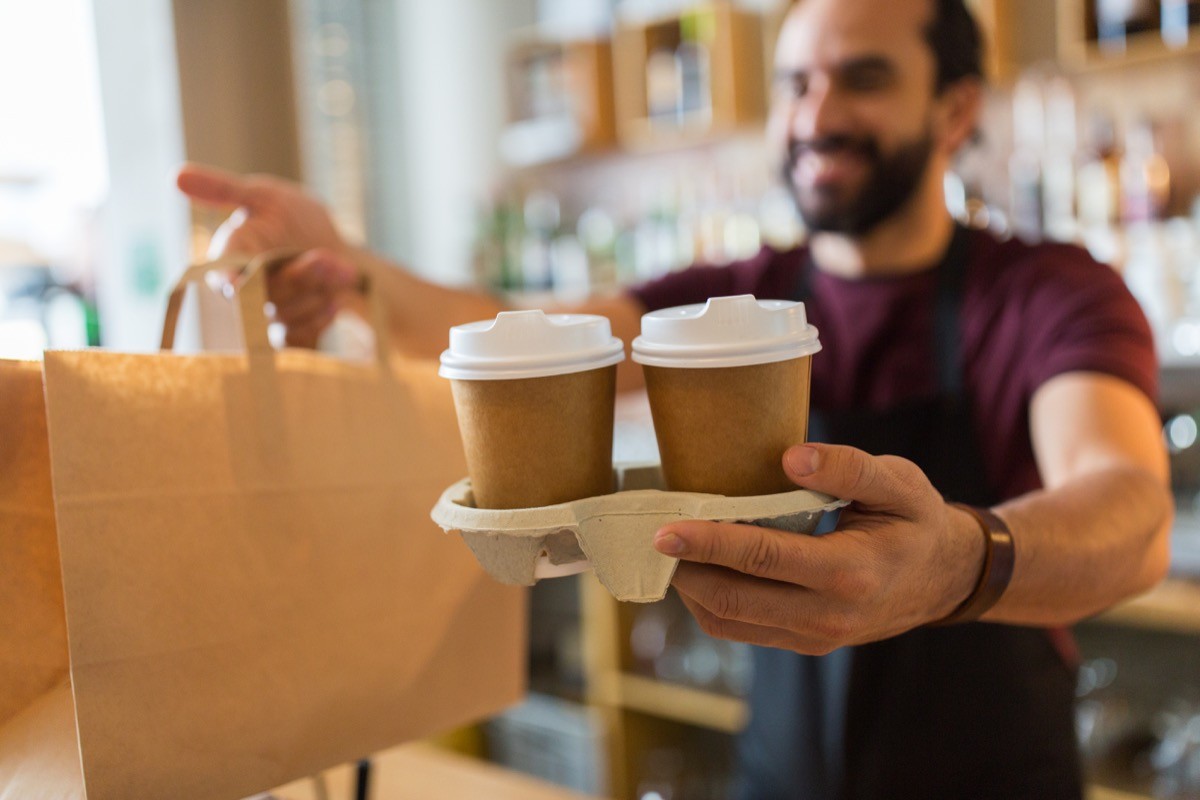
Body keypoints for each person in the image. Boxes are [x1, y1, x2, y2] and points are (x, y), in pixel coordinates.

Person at [177, 0, 1174, 796]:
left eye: (862, 78)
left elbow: (1128, 509)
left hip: (996, 773)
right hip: (784, 768)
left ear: (955, 109)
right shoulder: (724, 309)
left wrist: (959, 559)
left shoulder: (1050, 290)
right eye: (796, 83)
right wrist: (348, 265)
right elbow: (518, 334)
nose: (816, 115)